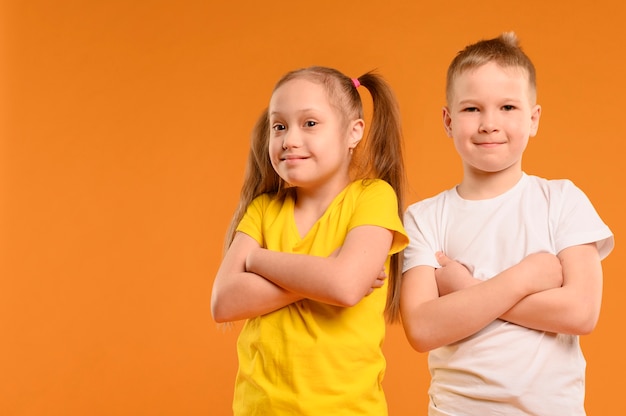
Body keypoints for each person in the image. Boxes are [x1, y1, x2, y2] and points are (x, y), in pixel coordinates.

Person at [400, 32, 614, 415]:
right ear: (448, 121)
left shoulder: (562, 201)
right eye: (471, 109)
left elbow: (581, 312)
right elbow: (421, 329)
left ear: (533, 119)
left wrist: (466, 288)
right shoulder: (424, 218)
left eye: (508, 107)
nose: (489, 124)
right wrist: (525, 278)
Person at [211, 66, 409, 415]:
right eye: (280, 126)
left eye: (310, 124)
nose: (289, 139)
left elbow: (345, 287)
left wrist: (258, 262)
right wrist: (324, 274)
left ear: (353, 132)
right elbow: (224, 302)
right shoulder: (263, 209)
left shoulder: (373, 197)